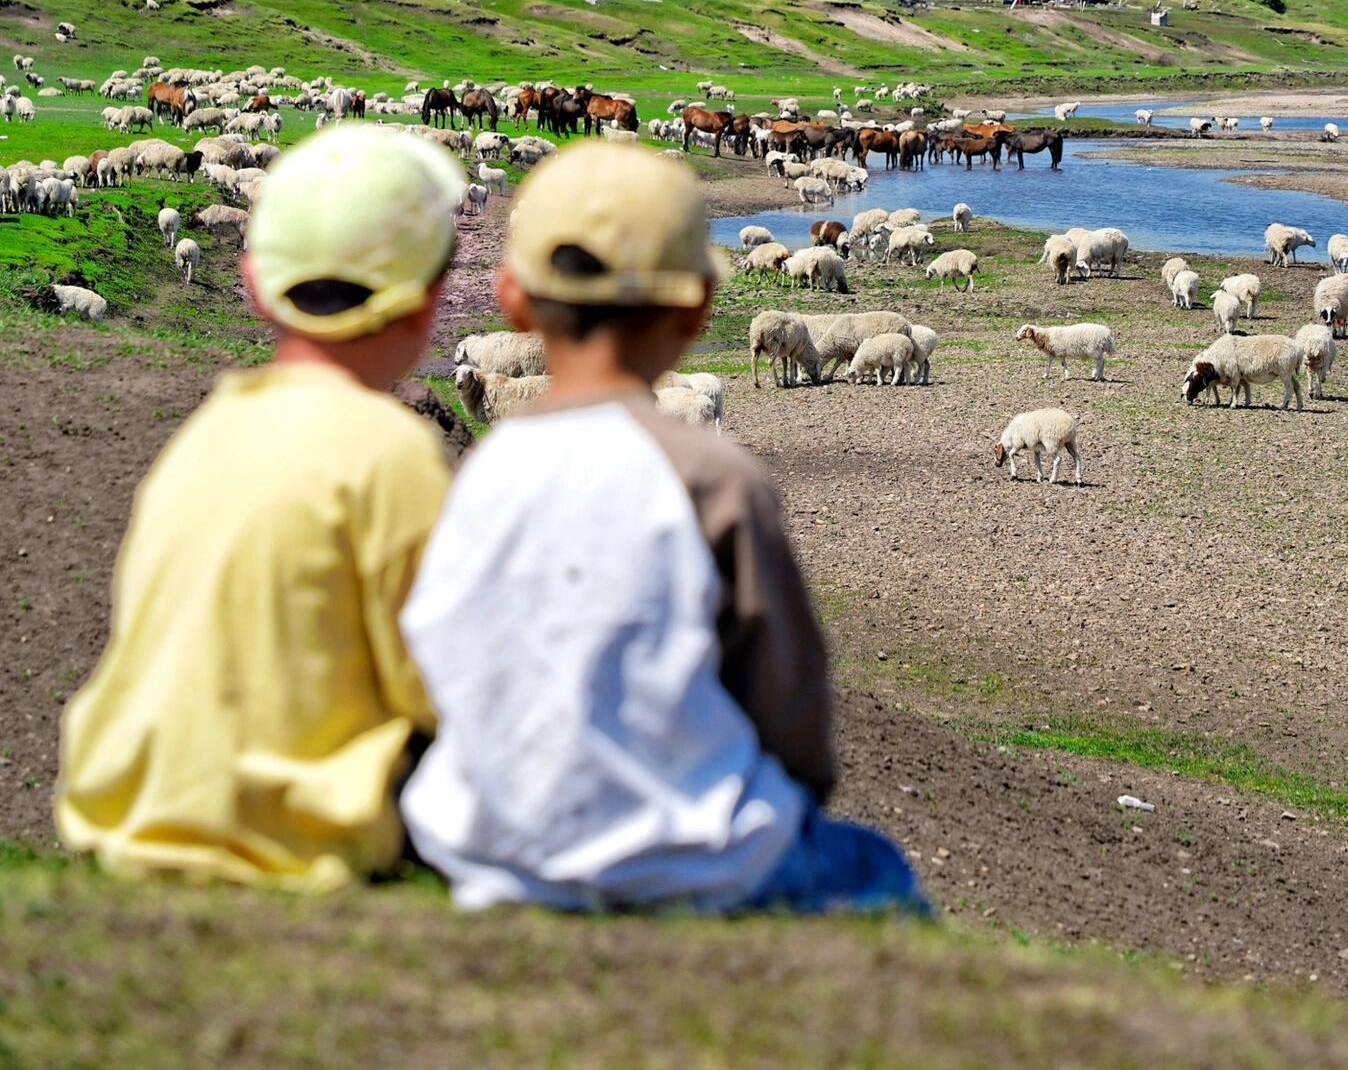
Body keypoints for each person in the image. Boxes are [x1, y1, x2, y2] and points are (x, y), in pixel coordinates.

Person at [400, 141, 925, 913]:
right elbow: (791, 706)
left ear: (513, 300)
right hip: (688, 860)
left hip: (497, 850)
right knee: (877, 870)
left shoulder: (484, 473)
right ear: (698, 308)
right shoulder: (714, 478)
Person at [55, 123, 464, 891]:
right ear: (430, 297)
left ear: (253, 284)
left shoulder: (204, 434)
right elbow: (441, 687)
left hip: (130, 828)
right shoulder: (391, 449)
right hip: (287, 842)